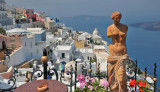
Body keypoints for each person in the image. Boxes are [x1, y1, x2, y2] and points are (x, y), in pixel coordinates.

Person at [107, 11, 129, 92]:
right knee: (112, 80)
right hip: (113, 54)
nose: (118, 19)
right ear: (113, 18)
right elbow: (109, 35)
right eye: (116, 18)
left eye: (119, 18)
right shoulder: (109, 28)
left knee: (121, 79)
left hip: (122, 54)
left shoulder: (125, 27)